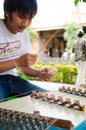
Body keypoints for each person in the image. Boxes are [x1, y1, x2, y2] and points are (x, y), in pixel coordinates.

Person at [0, 0, 53, 102]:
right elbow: (19, 63)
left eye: (30, 18)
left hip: (14, 79)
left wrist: (38, 73)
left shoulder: (24, 35)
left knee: (49, 98)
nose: (25, 23)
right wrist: (18, 61)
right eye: (21, 16)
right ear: (7, 11)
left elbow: (24, 68)